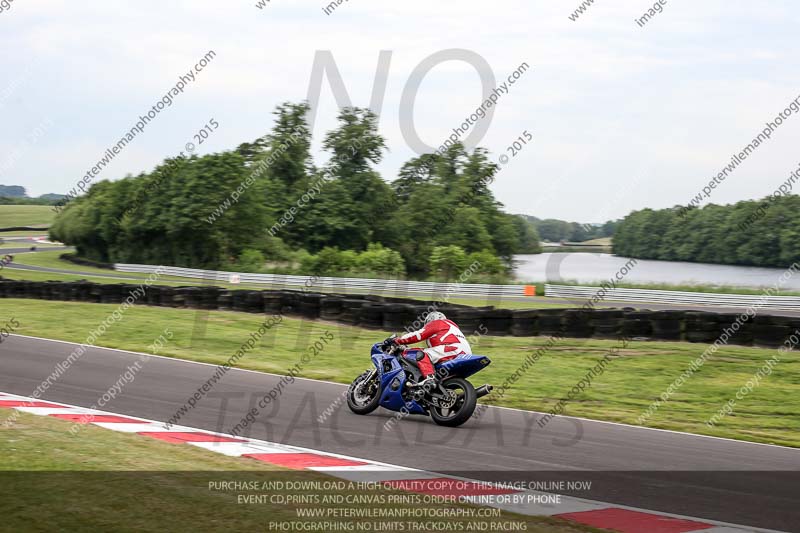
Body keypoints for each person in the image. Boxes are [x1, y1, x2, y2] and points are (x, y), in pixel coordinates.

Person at [390, 311, 472, 389]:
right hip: (465, 353)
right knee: (428, 354)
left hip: (453, 349)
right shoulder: (453, 327)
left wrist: (398, 340)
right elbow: (434, 348)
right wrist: (407, 349)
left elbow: (418, 335)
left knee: (421, 354)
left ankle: (429, 378)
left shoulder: (438, 323)